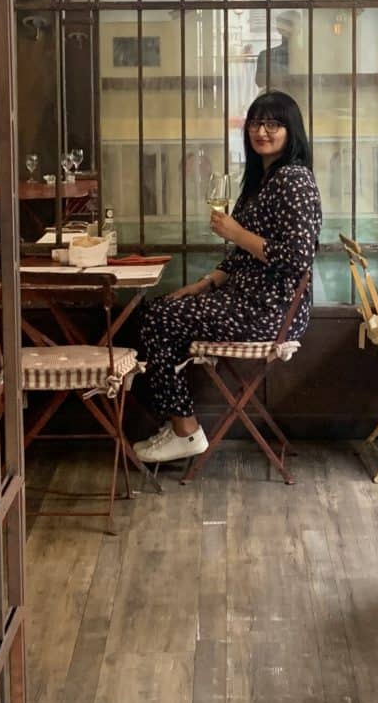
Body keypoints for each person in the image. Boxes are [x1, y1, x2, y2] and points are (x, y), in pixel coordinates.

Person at [133, 89, 322, 466]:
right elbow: (242, 256)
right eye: (256, 123)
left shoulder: (294, 180)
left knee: (156, 319)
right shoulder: (262, 179)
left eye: (273, 124)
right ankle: (178, 423)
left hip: (272, 309)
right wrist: (205, 283)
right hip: (245, 299)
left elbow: (297, 257)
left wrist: (237, 233)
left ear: (292, 131)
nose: (262, 132)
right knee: (159, 309)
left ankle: (185, 430)